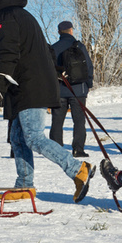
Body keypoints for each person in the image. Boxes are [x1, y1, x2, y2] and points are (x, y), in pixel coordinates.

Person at [0, 0, 95, 203]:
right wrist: (55, 71)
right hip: (28, 84)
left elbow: (8, 53)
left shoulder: (5, 17)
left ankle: (78, 169)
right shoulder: (18, 14)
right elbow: (45, 49)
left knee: (33, 137)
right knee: (18, 137)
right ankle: (24, 186)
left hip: (30, 85)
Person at [49, 20, 93, 157]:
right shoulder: (79, 46)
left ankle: (56, 149)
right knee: (79, 120)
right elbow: (89, 66)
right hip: (78, 90)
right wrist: (88, 84)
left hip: (60, 91)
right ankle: (78, 149)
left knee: (57, 120)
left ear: (59, 32)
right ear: (71, 30)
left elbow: (48, 70)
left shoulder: (53, 48)